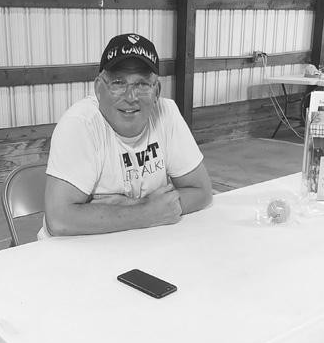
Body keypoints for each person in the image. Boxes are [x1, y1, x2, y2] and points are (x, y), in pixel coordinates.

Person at [39, 33, 212, 237]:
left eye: (142, 84)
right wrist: (147, 212)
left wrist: (134, 207)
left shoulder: (167, 113)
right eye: (118, 83)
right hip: (76, 249)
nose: (130, 97)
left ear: (156, 92)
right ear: (99, 88)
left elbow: (202, 191)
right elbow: (59, 220)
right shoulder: (80, 124)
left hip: (143, 242)